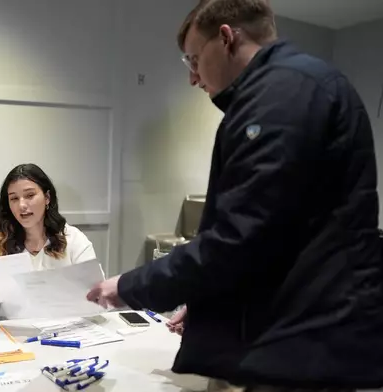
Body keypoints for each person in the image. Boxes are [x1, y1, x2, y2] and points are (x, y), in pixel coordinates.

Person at [88, 0, 383, 390]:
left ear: (226, 38)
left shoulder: (281, 95)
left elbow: (241, 236)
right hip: (295, 332)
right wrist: (214, 303)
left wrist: (129, 286)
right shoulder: (292, 87)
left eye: (194, 59)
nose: (193, 77)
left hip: (300, 346)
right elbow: (280, 237)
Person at [0, 163, 97, 321]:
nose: (22, 205)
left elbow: (97, 295)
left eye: (30, 195)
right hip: (12, 335)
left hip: (65, 332)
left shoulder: (73, 239)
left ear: (47, 197)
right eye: (14, 198)